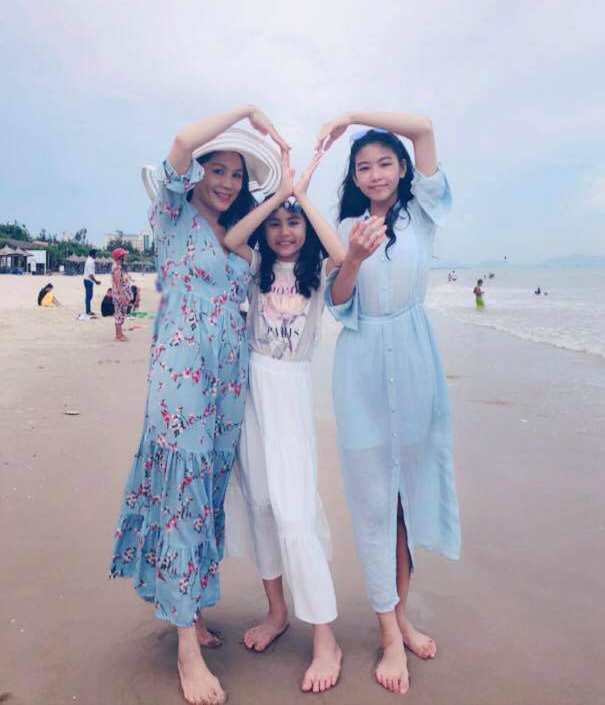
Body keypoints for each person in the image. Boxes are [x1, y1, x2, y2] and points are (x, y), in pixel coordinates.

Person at [110, 105, 288, 705]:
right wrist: (246, 112)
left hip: (229, 378)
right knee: (182, 487)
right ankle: (187, 649)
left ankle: (189, 611)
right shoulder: (172, 212)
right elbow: (182, 140)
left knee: (206, 492)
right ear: (199, 172)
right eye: (219, 170)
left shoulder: (239, 232)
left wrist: (285, 188)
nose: (228, 182)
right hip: (181, 371)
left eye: (238, 174)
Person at [318, 112, 461, 695]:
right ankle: (390, 636)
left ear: (403, 168)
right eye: (363, 167)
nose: (375, 174)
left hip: (416, 362)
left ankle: (400, 617)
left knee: (406, 501)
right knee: (374, 501)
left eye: (384, 163)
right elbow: (338, 302)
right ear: (354, 177)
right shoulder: (344, 226)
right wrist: (352, 257)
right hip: (362, 368)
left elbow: (423, 127)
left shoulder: (422, 213)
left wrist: (354, 118)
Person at [223, 150, 345, 693]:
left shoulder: (317, 271)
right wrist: (276, 196)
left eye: (293, 222)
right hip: (252, 390)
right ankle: (277, 612)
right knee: (260, 504)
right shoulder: (255, 265)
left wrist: (302, 197)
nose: (284, 231)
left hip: (290, 394)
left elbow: (342, 253)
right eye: (275, 223)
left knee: (295, 512)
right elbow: (233, 237)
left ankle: (326, 637)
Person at [110, 248, 132, 341]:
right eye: (124, 255)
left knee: (121, 314)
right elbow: (118, 283)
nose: (125, 257)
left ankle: (120, 334)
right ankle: (118, 336)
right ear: (120, 257)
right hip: (119, 295)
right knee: (119, 314)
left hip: (119, 294)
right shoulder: (117, 268)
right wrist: (122, 295)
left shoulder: (118, 266)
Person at [83, 249, 101, 315]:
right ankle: (88, 311)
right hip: (88, 280)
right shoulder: (90, 262)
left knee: (89, 296)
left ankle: (88, 310)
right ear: (93, 254)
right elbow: (90, 275)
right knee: (89, 296)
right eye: (96, 254)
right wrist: (96, 281)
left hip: (87, 280)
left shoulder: (89, 260)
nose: (96, 255)